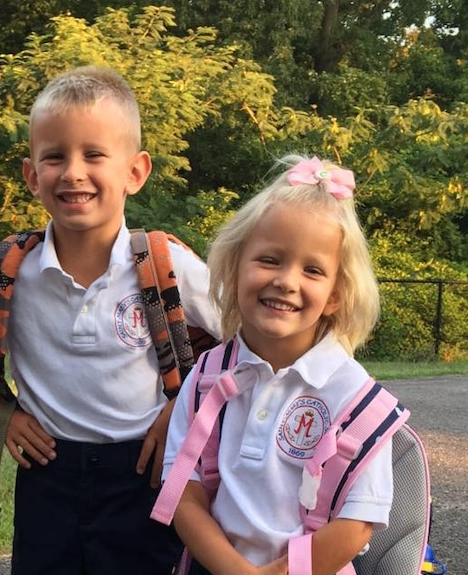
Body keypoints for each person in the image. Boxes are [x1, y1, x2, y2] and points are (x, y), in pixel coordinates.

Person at [0, 65, 221, 575]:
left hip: (146, 473)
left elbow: (246, 342)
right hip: (48, 475)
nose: (73, 172)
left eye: (94, 155)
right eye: (55, 157)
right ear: (31, 174)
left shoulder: (164, 266)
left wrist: (182, 414)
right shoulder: (11, 271)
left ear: (135, 171)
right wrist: (1, 412)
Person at [163, 155, 391, 574]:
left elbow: (356, 523)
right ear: (234, 269)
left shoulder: (356, 399)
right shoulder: (206, 377)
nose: (286, 280)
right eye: (269, 259)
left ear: (335, 295)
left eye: (313, 270)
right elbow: (183, 491)